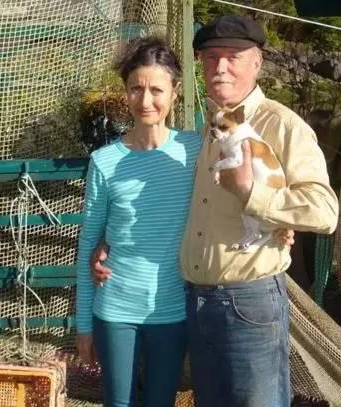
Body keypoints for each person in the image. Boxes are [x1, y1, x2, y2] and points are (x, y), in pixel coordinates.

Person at [92, 15, 336, 407]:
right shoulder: (206, 131)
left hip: (249, 300)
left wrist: (255, 196)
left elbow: (323, 211)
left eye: (233, 57)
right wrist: (110, 241)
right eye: (210, 57)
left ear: (257, 62)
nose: (220, 67)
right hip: (197, 302)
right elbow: (169, 202)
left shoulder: (281, 125)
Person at [75, 36, 202, 407]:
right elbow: (88, 244)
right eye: (136, 89)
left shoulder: (196, 151)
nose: (146, 101)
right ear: (125, 92)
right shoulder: (104, 162)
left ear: (175, 91)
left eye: (157, 90)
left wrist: (278, 222)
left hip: (173, 311)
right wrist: (84, 326)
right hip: (115, 311)